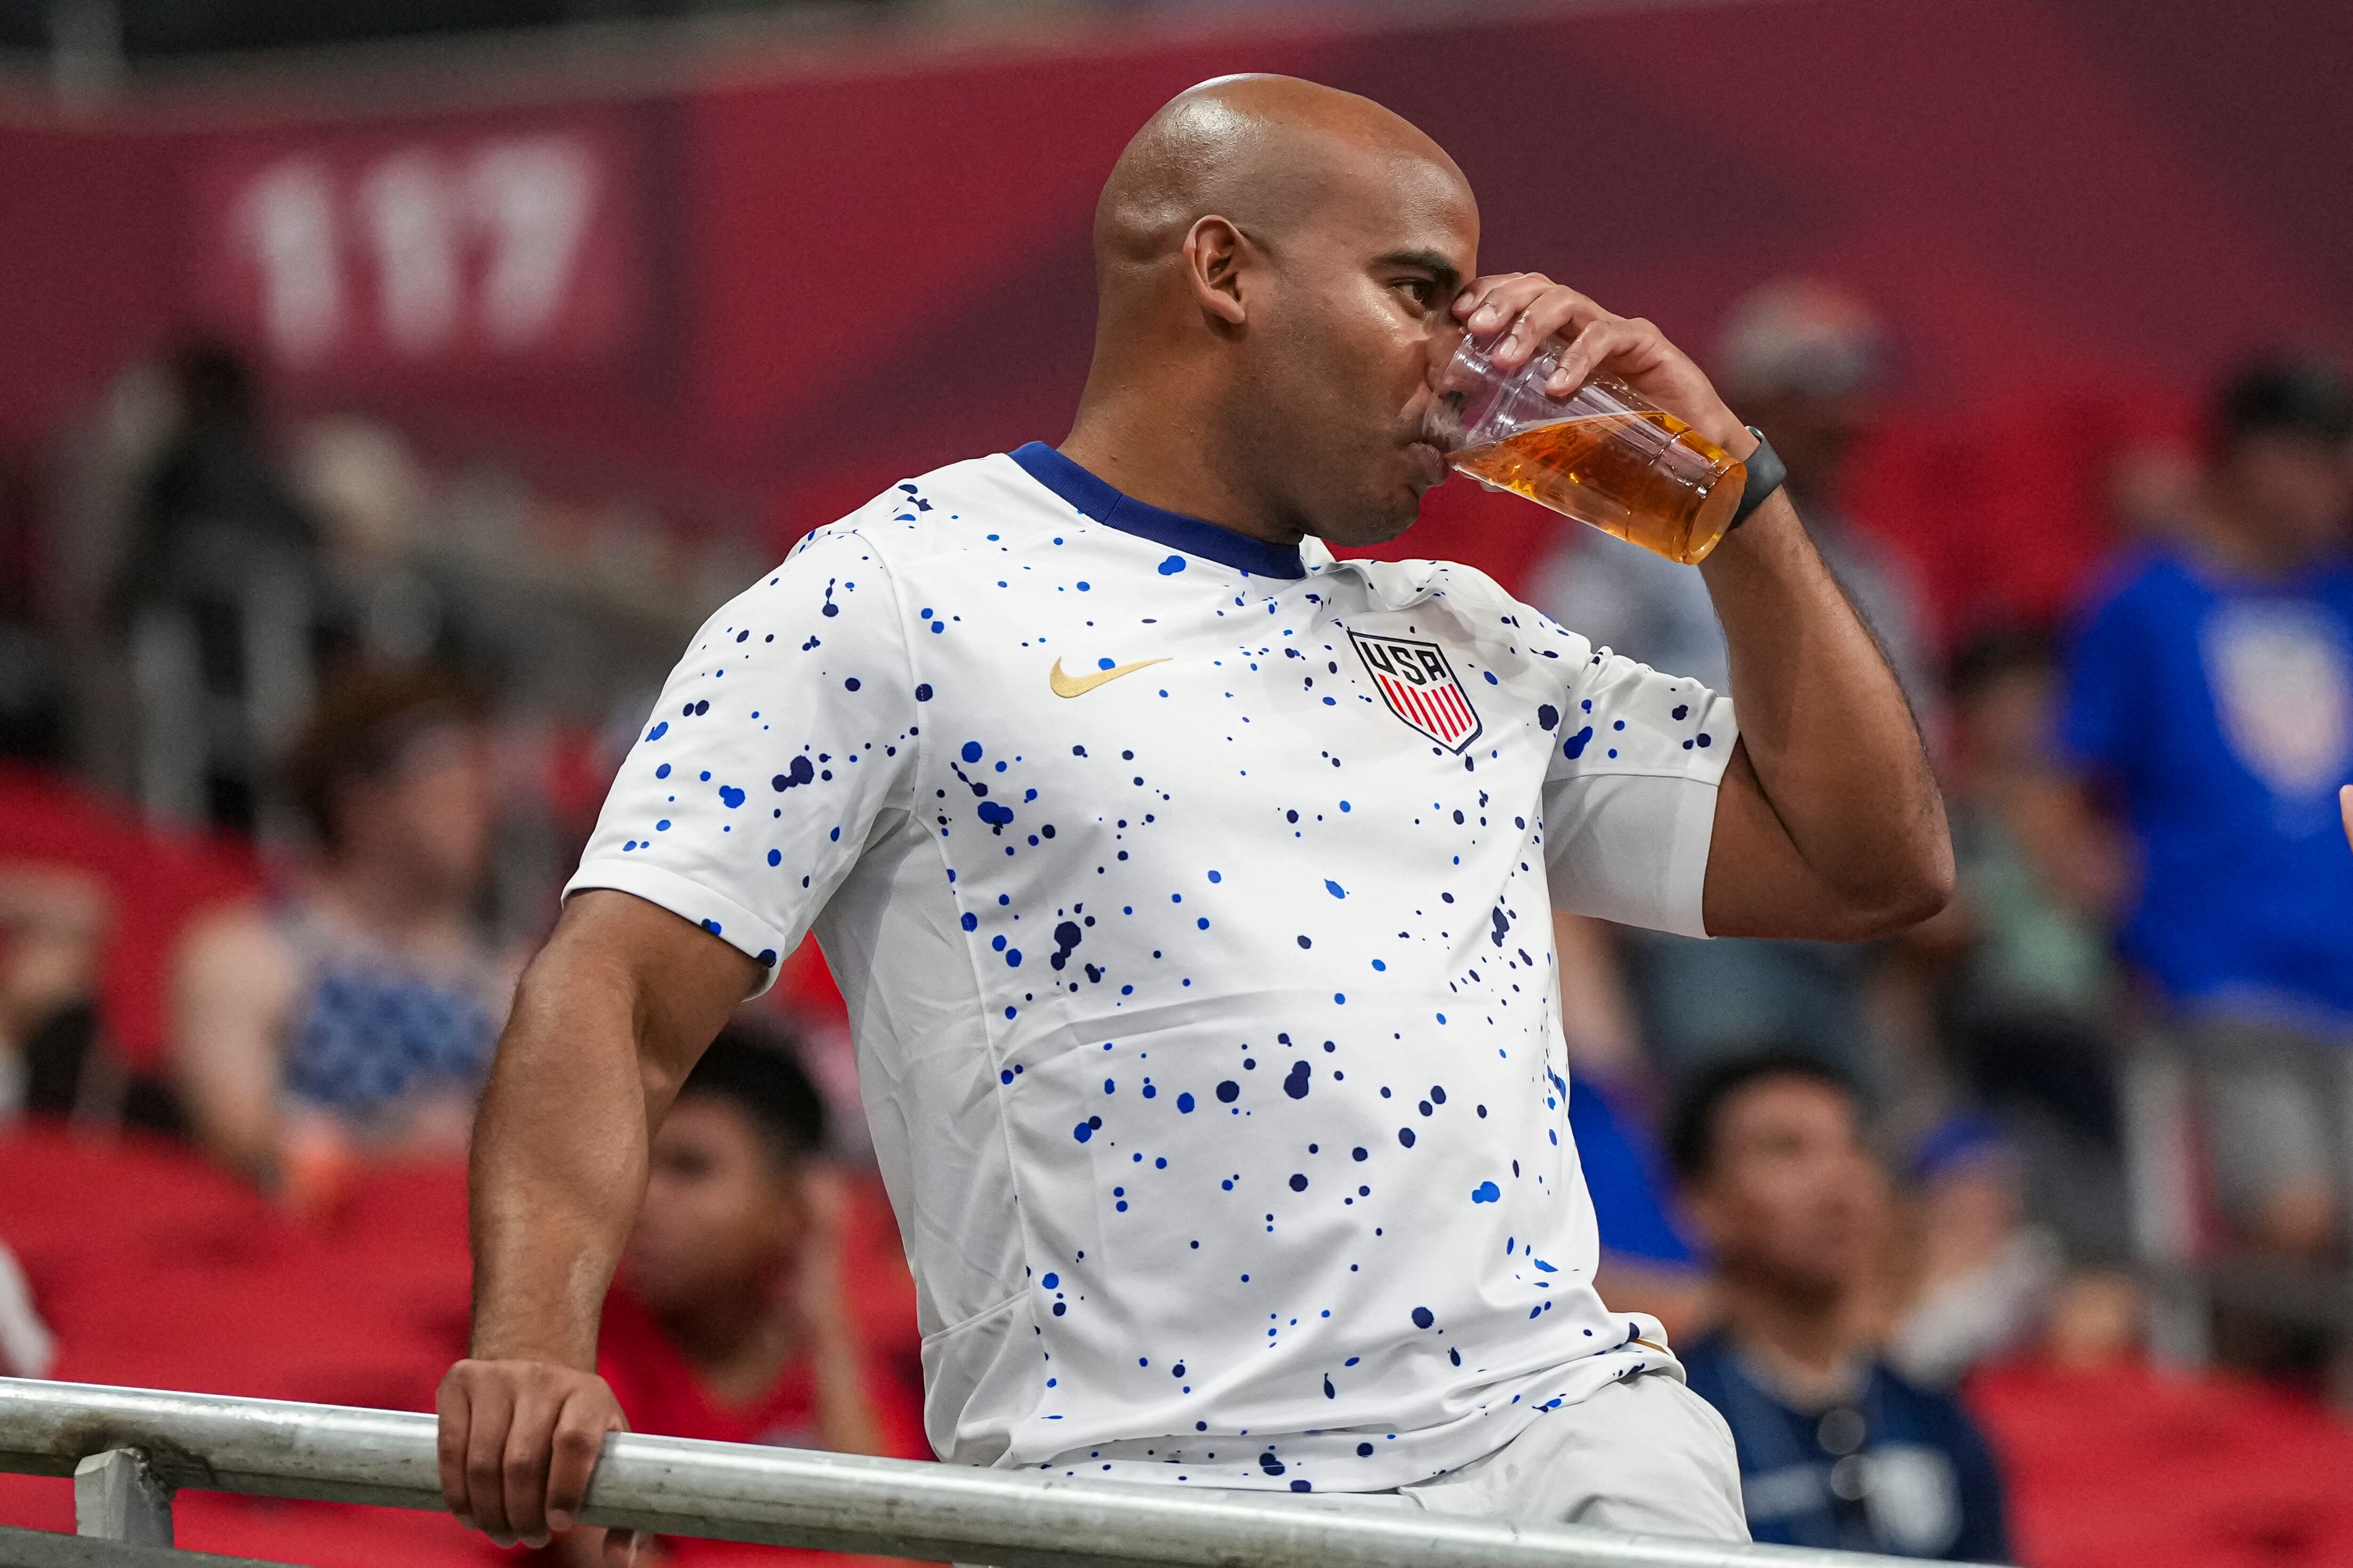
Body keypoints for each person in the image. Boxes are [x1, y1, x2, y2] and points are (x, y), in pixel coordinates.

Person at [438, 76, 1950, 1561]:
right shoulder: (893, 593)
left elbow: (1866, 864)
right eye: (1419, 292)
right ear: (1224, 271)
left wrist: (1730, 494)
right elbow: (616, 987)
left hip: (1566, 1438)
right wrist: (529, 1336)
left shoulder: (1463, 628)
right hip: (1146, 1487)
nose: (1462, 362)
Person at [1530, 279, 1941, 1090]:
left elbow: (1921, 771)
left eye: (1857, 395)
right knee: (1746, 1131)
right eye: (1816, 391)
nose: (1844, 419)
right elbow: (1548, 702)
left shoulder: (1881, 579)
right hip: (1707, 916)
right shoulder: (1632, 540)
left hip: (1858, 933)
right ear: (1750, 396)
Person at [2061, 355, 2353, 1257]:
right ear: (2252, 458)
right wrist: (2118, 925)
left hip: (2341, 967)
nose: (2335, 484)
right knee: (2292, 1226)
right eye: (2319, 457)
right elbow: (2062, 781)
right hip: (2223, 974)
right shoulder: (2143, 601)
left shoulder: (2340, 596)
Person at [558, 1017, 927, 1566]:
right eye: (637, 1165)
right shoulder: (582, 1359)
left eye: (691, 1168)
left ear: (795, 1204)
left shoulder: (849, 1378)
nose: (643, 1200)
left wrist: (827, 1325)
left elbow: (893, 1560)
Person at [171, 663, 511, 1203]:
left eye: (481, 789)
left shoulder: (516, 976)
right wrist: (403, 1151)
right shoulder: (244, 955)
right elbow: (242, 1143)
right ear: (360, 800)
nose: (481, 811)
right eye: (450, 788)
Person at [1672, 1055, 2011, 1561]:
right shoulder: (1675, 1424)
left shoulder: (1939, 1420)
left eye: (1854, 1146)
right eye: (1787, 1150)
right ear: (1701, 1201)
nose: (1838, 1183)